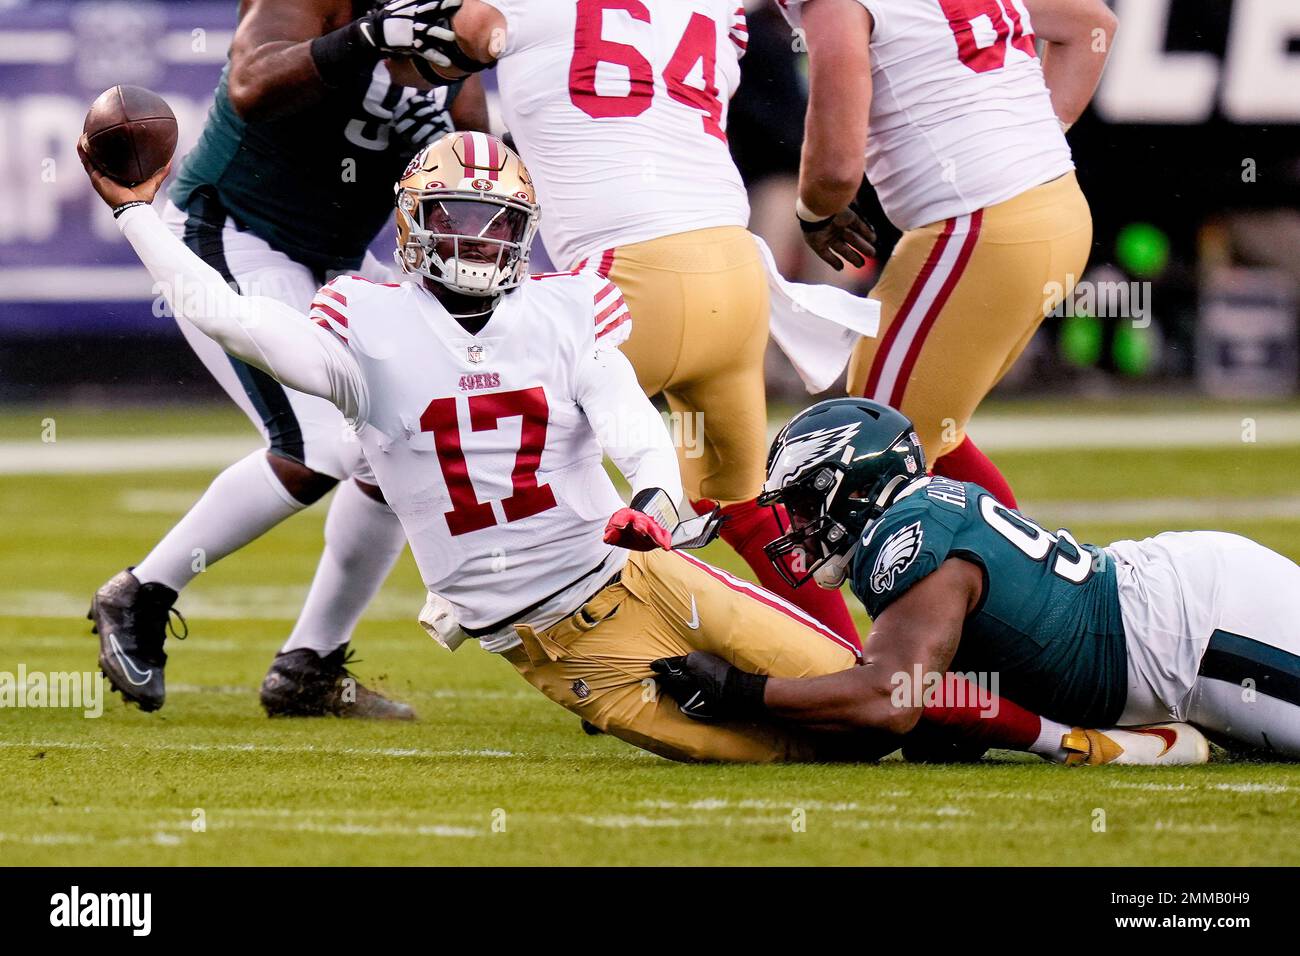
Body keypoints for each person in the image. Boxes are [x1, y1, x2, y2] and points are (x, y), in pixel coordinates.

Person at [83, 131, 896, 763]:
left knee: (877, 705)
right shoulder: (365, 329)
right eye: (455, 221)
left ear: (522, 233)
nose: (474, 243)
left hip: (640, 571)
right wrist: (135, 214)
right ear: (413, 225)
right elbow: (223, 313)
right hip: (542, 637)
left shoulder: (565, 307)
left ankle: (1018, 721)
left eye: (494, 226)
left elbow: (629, 420)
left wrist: (653, 496)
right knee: (793, 747)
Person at [360, 0, 870, 649]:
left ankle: (606, 643)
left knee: (477, 415)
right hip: (733, 269)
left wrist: (386, 31)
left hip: (626, 276)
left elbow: (440, 47)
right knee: (743, 504)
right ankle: (851, 664)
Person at [88, 0, 488, 718]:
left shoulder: (453, 33)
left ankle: (308, 664)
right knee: (316, 446)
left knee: (396, 439)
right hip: (235, 230)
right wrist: (366, 38)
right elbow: (252, 81)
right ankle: (142, 592)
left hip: (333, 261)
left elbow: (472, 163)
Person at [653, 397, 1300, 763]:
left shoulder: (908, 536)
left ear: (847, 485)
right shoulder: (921, 514)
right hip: (1176, 610)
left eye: (800, 502)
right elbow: (931, 716)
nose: (794, 523)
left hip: (1196, 628)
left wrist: (744, 691)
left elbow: (889, 699)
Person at [776, 0, 1117, 509]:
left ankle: (1027, 584)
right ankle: (1034, 580)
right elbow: (1092, 25)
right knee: (931, 429)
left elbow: (836, 171)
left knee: (865, 457)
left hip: (981, 228)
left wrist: (815, 209)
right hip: (1053, 206)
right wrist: (1021, 140)